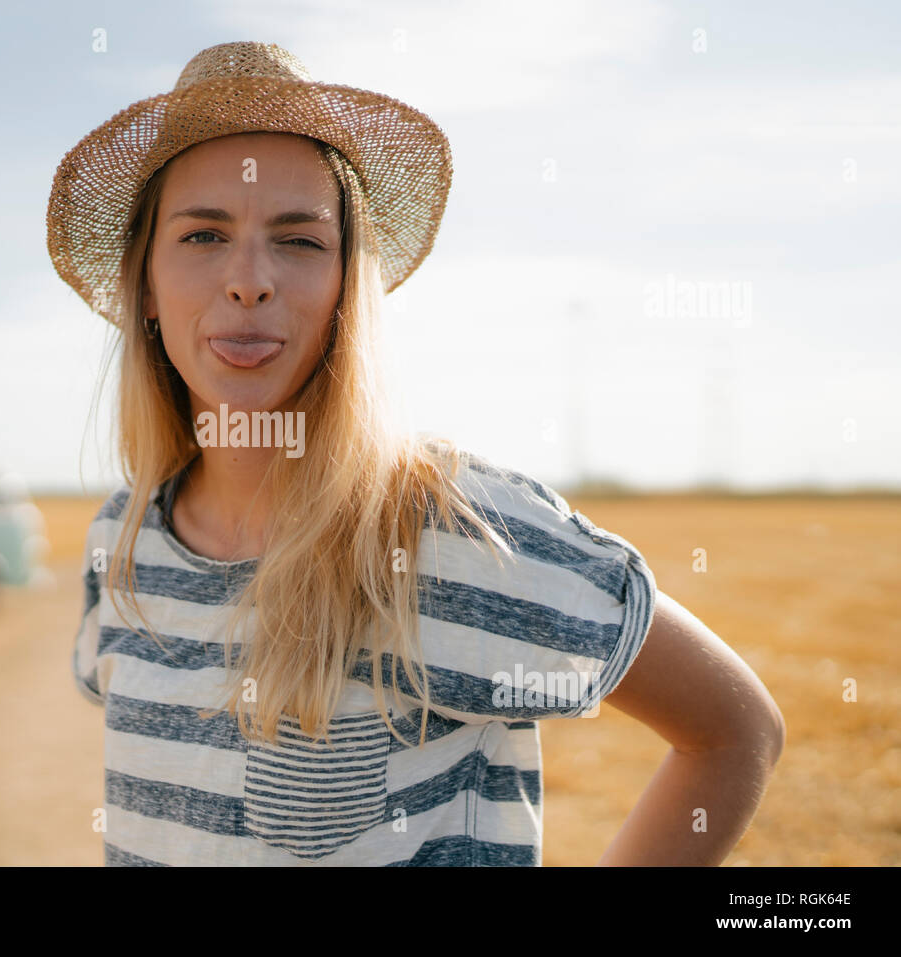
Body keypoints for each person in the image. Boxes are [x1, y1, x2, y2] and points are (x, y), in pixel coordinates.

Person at [47, 41, 785, 866]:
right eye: (202, 235)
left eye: (299, 241)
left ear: (347, 290)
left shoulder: (453, 529)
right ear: (144, 285)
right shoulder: (120, 540)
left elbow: (734, 731)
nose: (249, 279)